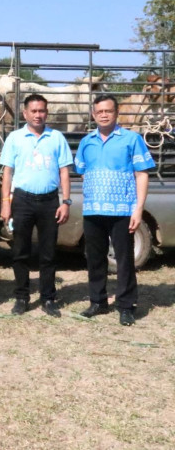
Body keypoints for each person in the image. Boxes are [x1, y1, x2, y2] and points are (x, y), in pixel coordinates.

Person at [75, 94, 154, 326]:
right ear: (93, 114)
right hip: (93, 211)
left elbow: (142, 174)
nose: (104, 115)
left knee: (124, 260)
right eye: (99, 111)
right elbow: (82, 171)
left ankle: (126, 306)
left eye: (108, 111)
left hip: (122, 211)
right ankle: (98, 301)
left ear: (116, 113)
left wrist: (138, 209)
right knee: (95, 258)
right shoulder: (86, 142)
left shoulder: (132, 139)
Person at [0, 94, 74, 317]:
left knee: (48, 253)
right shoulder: (15, 138)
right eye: (33, 111)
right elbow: (7, 173)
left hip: (49, 201)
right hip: (22, 200)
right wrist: (6, 203)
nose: (38, 115)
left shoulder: (56, 138)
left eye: (42, 111)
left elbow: (64, 171)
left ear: (47, 113)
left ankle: (48, 298)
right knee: (20, 251)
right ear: (25, 113)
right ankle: (22, 297)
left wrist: (66, 201)